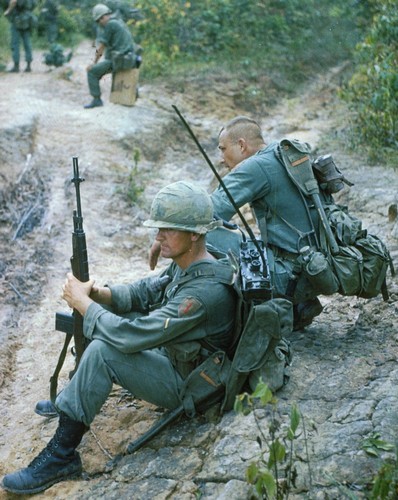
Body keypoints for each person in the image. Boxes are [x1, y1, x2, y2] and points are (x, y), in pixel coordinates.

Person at [1, 181, 237, 495]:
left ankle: (61, 456)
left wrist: (83, 304)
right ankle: (77, 395)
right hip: (180, 357)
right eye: (159, 228)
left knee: (103, 350)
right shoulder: (191, 263)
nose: (158, 237)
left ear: (195, 234)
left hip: (193, 384)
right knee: (112, 320)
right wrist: (98, 294)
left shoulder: (205, 292)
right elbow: (145, 292)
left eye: (168, 229)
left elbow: (128, 337)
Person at [149, 117, 325, 329]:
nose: (222, 159)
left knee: (199, 237)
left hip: (291, 274)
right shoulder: (279, 155)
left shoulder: (255, 167)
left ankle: (164, 298)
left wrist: (164, 235)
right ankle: (300, 304)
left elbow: (207, 211)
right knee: (240, 236)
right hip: (315, 265)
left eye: (223, 149)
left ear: (241, 145)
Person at [84, 3, 136, 109]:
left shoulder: (110, 25)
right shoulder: (119, 21)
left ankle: (97, 99)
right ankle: (133, 93)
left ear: (103, 17)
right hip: (128, 59)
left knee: (92, 72)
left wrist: (93, 63)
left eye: (99, 20)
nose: (99, 23)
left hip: (119, 60)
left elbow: (101, 48)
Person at [4, 0, 35, 73]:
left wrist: (8, 11)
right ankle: (28, 66)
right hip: (27, 19)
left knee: (15, 43)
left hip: (17, 19)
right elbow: (34, 4)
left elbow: (13, 1)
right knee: (27, 43)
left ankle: (16, 66)